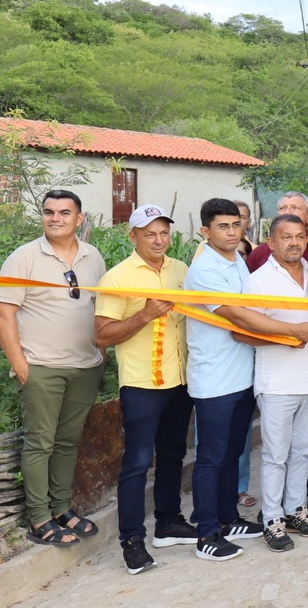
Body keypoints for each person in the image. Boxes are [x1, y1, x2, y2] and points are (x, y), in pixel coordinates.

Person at [0, 190, 106, 548]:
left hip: (84, 366)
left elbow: (99, 307)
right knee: (40, 444)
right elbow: (5, 315)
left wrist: (100, 352)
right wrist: (20, 364)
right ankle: (39, 518)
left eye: (64, 212)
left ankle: (61, 509)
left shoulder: (93, 256)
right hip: (41, 367)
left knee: (67, 441)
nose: (55, 218)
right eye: (48, 212)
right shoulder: (24, 257)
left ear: (79, 218)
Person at [94, 205, 194, 574]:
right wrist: (144, 314)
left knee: (172, 455)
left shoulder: (180, 270)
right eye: (149, 233)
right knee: (136, 464)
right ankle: (132, 540)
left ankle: (168, 522)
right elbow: (102, 334)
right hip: (141, 384)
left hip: (179, 380)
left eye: (163, 232)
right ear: (132, 236)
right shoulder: (117, 278)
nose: (158, 240)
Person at [183, 198, 264, 561]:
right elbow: (239, 316)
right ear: (205, 231)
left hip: (241, 376)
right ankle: (207, 533)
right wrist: (293, 330)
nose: (232, 232)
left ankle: (229, 518)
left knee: (233, 453)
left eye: (236, 225)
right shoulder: (204, 270)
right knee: (211, 458)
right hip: (214, 379)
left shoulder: (239, 262)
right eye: (222, 226)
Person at [241, 214, 308, 553]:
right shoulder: (258, 280)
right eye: (286, 237)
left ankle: (295, 509)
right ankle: (272, 518)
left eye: (300, 236)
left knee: (303, 451)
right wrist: (288, 336)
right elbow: (243, 333)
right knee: (276, 455)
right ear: (270, 243)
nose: (294, 242)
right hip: (276, 382)